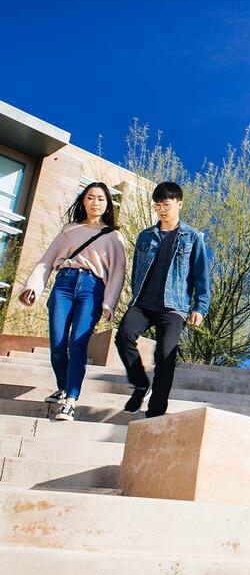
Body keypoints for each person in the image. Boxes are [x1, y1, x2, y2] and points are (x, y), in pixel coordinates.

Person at [19, 182, 126, 422]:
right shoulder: (69, 230)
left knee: (77, 344)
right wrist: (33, 286)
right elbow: (47, 261)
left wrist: (109, 302)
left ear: (108, 203)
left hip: (92, 288)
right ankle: (63, 387)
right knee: (57, 343)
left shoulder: (113, 235)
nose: (95, 203)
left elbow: (118, 272)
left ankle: (70, 401)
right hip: (64, 284)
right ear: (83, 201)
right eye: (90, 197)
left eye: (101, 198)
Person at [116, 181, 210, 418]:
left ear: (179, 204)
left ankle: (155, 413)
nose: (162, 210)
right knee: (124, 335)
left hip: (174, 306)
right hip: (143, 302)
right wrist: (134, 298)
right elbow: (137, 270)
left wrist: (200, 306)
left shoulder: (192, 237)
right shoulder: (146, 236)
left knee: (165, 358)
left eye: (166, 204)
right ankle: (140, 382)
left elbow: (201, 273)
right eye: (157, 205)